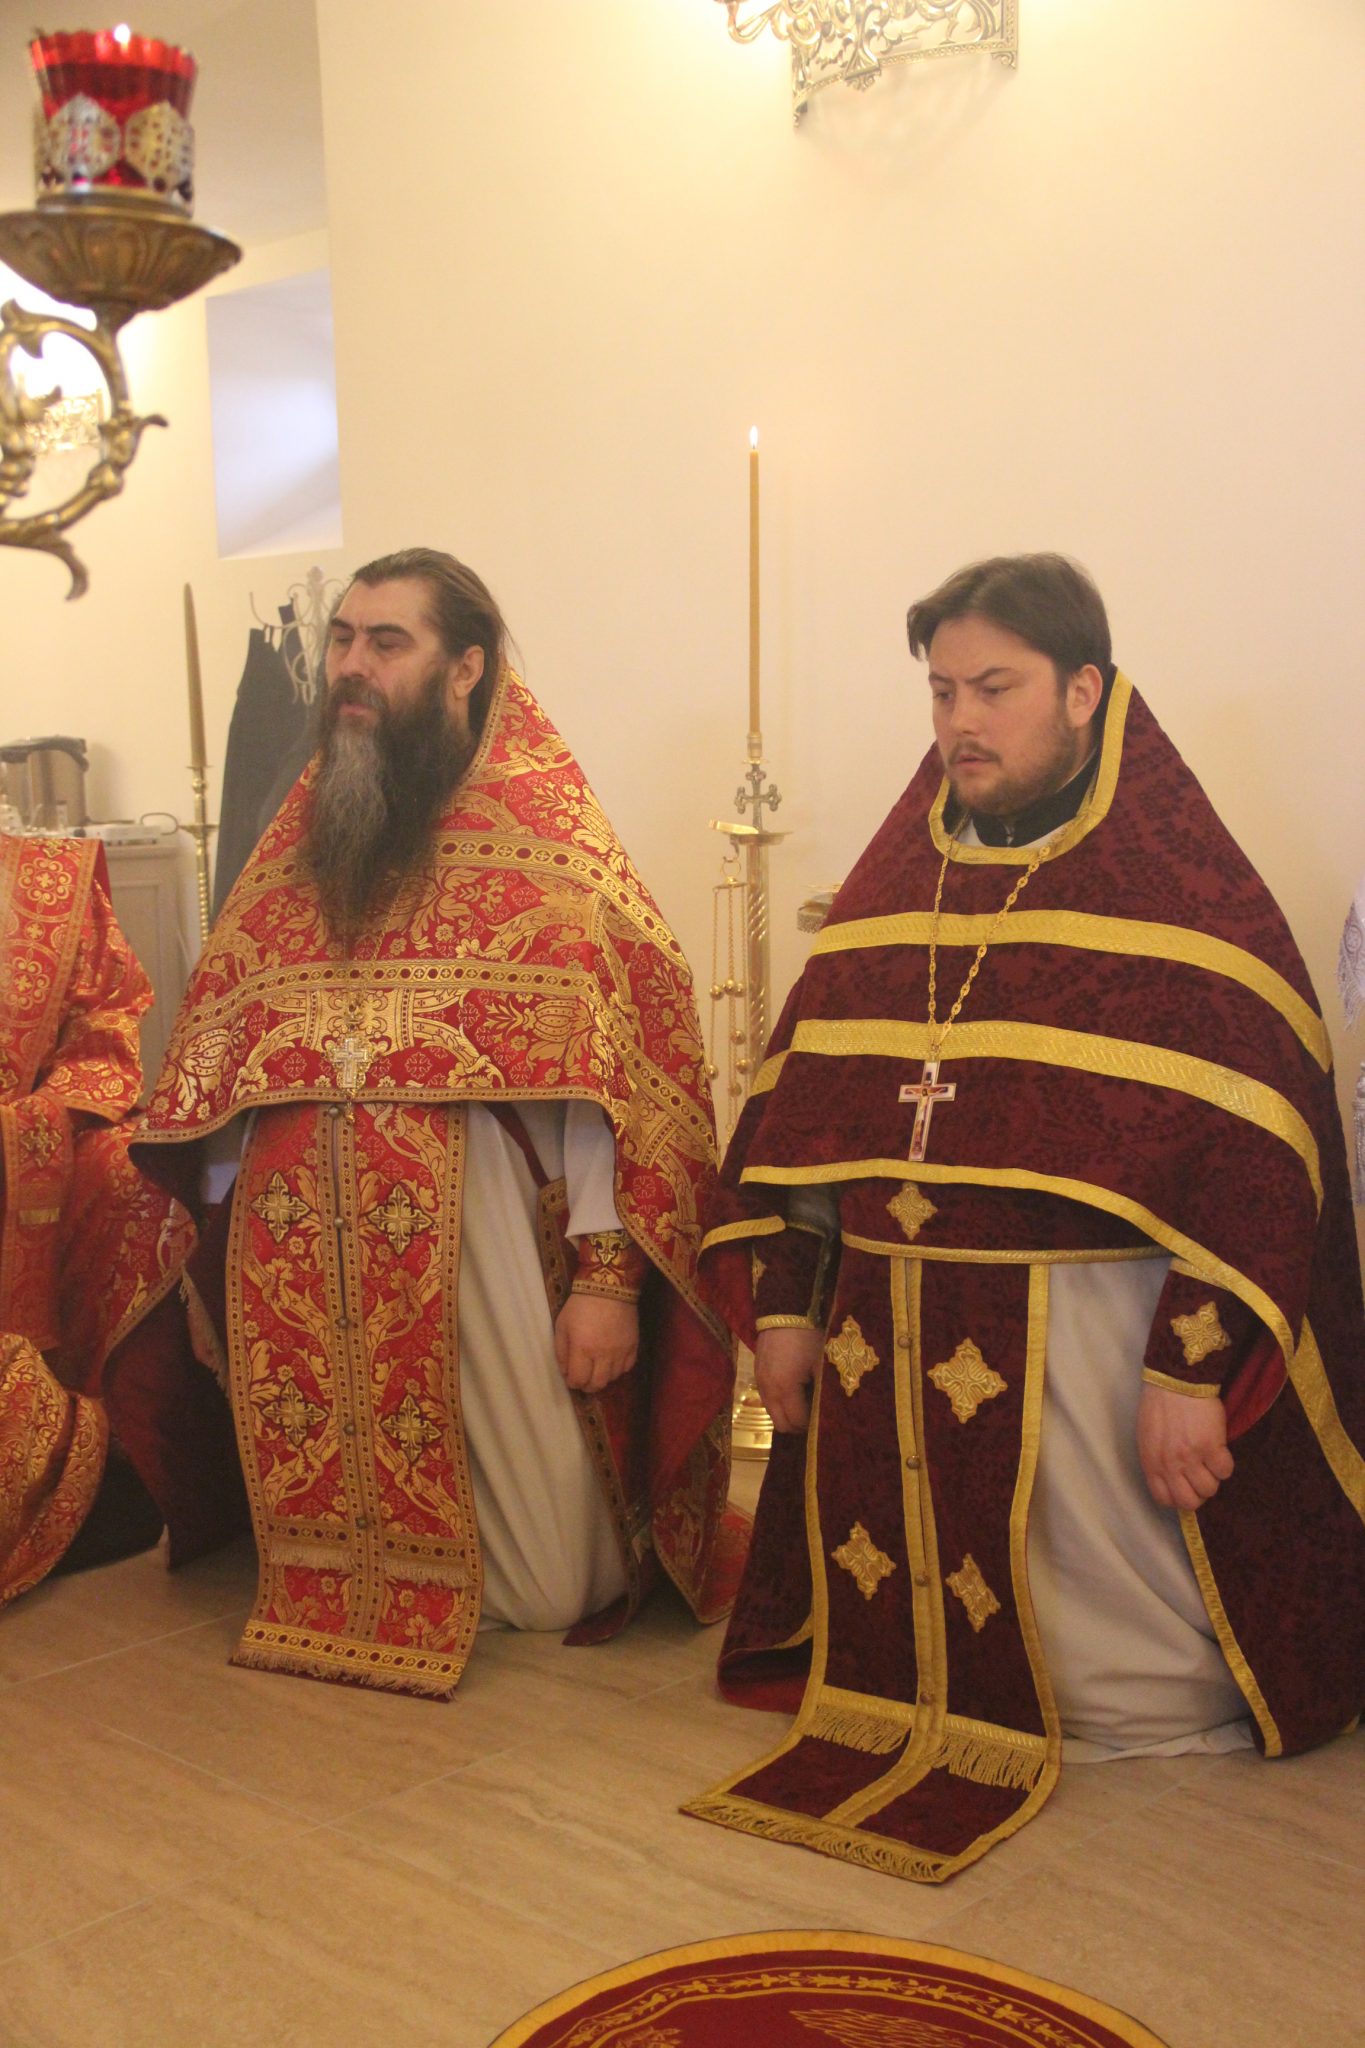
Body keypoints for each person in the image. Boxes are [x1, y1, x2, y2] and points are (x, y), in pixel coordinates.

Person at [685, 553, 1365, 1882]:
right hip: (884, 1337)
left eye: (994, 688)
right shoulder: (895, 889)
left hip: (1095, 1352)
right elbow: (802, 1130)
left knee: (1121, 1674)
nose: (961, 722)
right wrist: (785, 1309)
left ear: (1085, 690)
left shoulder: (1187, 892)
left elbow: (1255, 1160)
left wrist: (1191, 1364)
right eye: (943, 692)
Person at [135, 548, 741, 1697]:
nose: (352, 666)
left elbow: (607, 1083)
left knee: (552, 1583)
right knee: (324, 1534)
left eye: (387, 641)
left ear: (467, 667)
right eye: (343, 639)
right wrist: (207, 1254)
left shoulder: (549, 852)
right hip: (302, 1240)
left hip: (484, 1232)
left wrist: (606, 1278)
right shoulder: (299, 851)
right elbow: (223, 1059)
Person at [0, 832, 239, 1605]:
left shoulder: (45, 879)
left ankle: (136, 1465)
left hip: (25, 1154)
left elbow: (101, 1034)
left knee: (143, 1187)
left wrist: (30, 1128)